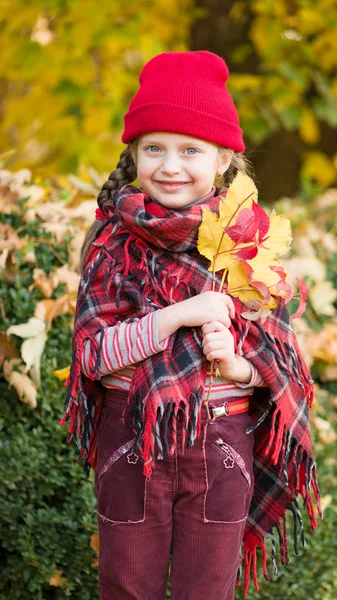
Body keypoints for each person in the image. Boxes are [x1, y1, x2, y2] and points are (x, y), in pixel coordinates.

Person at [60, 50, 322, 600]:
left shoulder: (248, 247)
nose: (170, 165)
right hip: (131, 438)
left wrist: (236, 366)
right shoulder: (111, 244)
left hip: (222, 439)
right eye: (153, 148)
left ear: (225, 159)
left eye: (190, 150)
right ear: (133, 155)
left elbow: (280, 367)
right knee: (126, 585)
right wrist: (177, 317)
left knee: (209, 589)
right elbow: (92, 354)